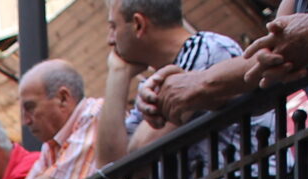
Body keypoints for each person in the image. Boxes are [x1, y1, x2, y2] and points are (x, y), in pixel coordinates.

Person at [95, 0, 245, 168]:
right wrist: (118, 72)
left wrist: (133, 149)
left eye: (114, 27)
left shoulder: (208, 50)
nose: (110, 40)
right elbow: (111, 165)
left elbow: (138, 159)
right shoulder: (153, 84)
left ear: (138, 24)